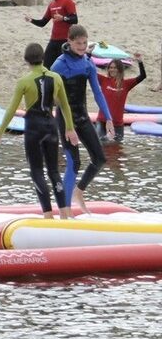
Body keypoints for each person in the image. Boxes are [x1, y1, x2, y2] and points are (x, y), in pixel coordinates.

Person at [0, 43, 79, 220]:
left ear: (26, 60)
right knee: (54, 171)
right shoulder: (56, 78)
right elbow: (64, 106)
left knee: (37, 171)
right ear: (43, 58)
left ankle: (48, 216)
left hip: (34, 129)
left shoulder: (24, 81)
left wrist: (0, 134)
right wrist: (69, 128)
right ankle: (64, 214)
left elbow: (11, 109)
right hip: (51, 126)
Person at [49, 25, 111, 211]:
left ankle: (79, 191)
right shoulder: (59, 65)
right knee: (74, 162)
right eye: (78, 43)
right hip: (66, 120)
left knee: (99, 158)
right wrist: (67, 126)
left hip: (82, 118)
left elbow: (98, 93)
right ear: (69, 41)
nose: (82, 46)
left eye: (85, 43)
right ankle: (65, 209)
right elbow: (50, 95)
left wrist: (107, 117)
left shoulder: (87, 63)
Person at [25, 0, 77, 66]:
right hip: (53, 40)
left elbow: (75, 19)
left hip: (65, 40)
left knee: (62, 66)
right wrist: (31, 20)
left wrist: (63, 18)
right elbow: (43, 22)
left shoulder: (67, 1)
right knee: (46, 65)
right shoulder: (52, 4)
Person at [97, 55, 145, 142]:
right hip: (102, 121)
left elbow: (142, 76)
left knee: (117, 150)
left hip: (117, 124)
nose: (112, 70)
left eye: (115, 68)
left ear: (120, 69)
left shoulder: (126, 84)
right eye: (110, 67)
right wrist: (88, 55)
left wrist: (140, 62)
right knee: (101, 147)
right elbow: (90, 71)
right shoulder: (103, 80)